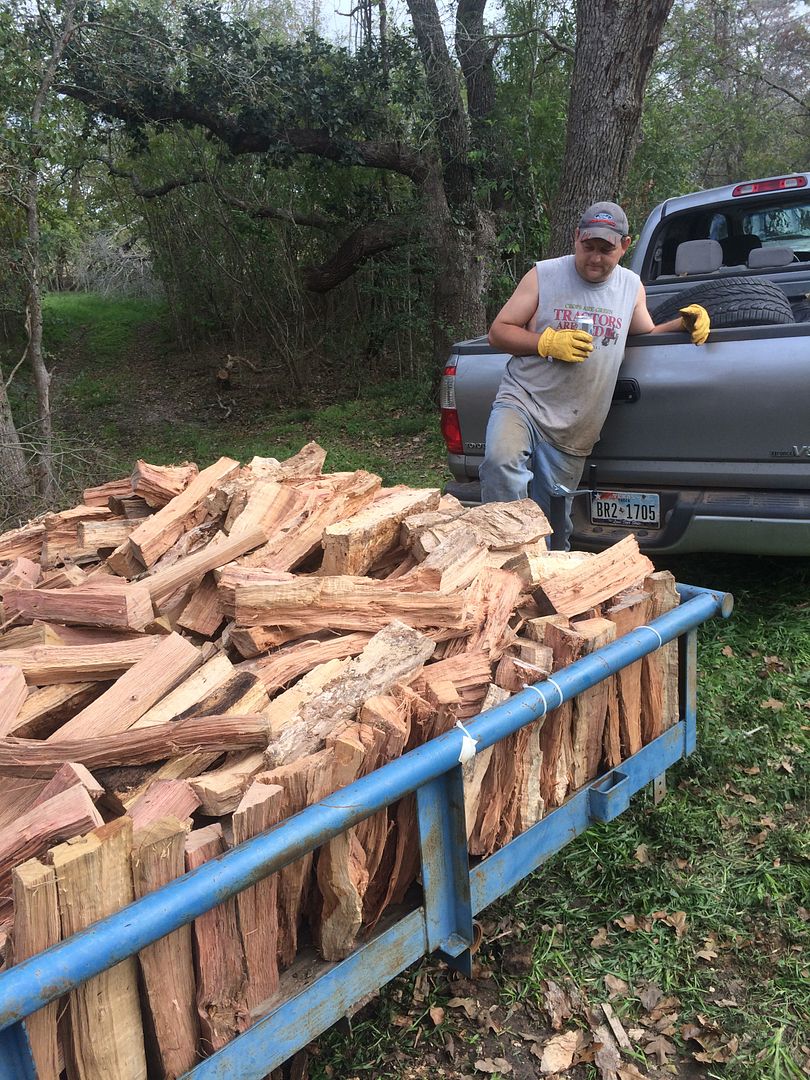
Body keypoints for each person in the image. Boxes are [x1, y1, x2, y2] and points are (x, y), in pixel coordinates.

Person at [479, 201, 710, 546]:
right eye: (588, 247)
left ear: (625, 246)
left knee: (555, 523)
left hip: (575, 426)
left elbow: (641, 333)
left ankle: (550, 581)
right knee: (501, 464)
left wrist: (682, 322)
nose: (596, 258)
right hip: (523, 402)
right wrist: (547, 341)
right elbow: (499, 331)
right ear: (576, 238)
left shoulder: (630, 287)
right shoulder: (544, 275)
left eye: (606, 249)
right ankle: (504, 558)